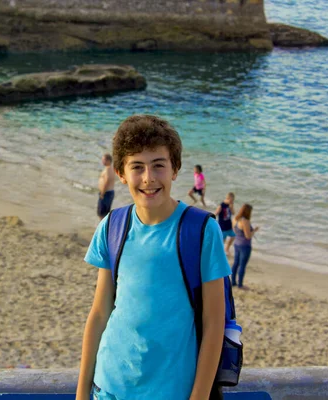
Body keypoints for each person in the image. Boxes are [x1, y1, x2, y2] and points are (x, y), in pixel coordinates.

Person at [77, 115, 231, 400]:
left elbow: (214, 323)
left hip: (173, 391)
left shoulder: (201, 231)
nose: (149, 178)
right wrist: (82, 392)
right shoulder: (112, 227)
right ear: (122, 174)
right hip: (109, 386)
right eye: (137, 167)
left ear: (174, 170)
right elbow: (99, 314)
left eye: (158, 165)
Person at [231, 203, 259, 289]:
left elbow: (234, 231)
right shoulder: (245, 221)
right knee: (242, 265)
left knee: (236, 263)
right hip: (245, 246)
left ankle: (233, 282)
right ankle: (240, 284)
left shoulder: (236, 219)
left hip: (236, 243)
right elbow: (248, 236)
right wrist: (254, 230)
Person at [97, 153, 115, 220]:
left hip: (106, 193)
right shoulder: (111, 168)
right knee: (105, 214)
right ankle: (106, 228)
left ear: (108, 160)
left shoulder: (108, 169)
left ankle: (102, 229)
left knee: (101, 214)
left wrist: (102, 193)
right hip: (109, 193)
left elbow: (107, 181)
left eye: (103, 160)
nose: (102, 161)